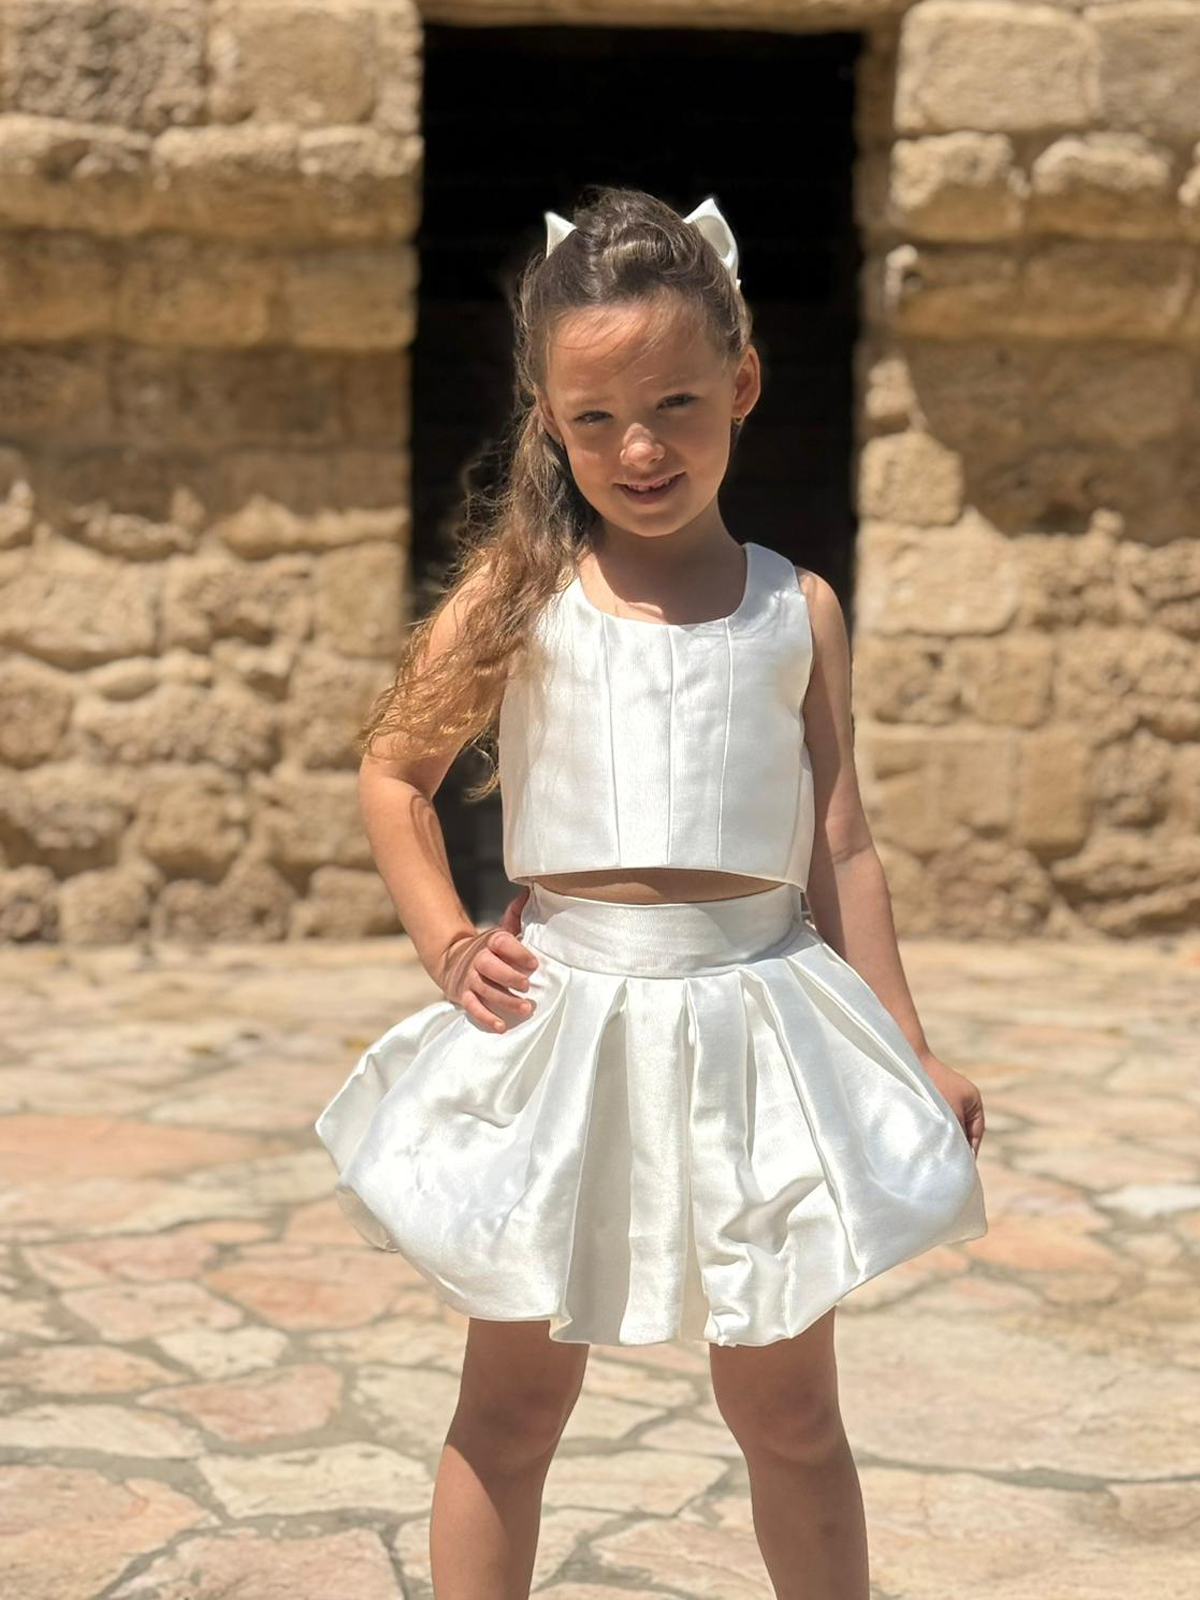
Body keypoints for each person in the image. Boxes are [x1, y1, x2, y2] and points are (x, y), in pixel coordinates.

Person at [315, 185, 987, 1600]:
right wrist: (447, 944)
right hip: (563, 1026)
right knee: (512, 1409)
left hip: (761, 1026)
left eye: (676, 403)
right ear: (550, 419)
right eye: (599, 416)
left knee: (789, 1413)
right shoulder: (521, 592)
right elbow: (394, 776)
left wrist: (909, 1044)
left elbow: (841, 847)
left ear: (741, 384)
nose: (641, 446)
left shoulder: (796, 608)